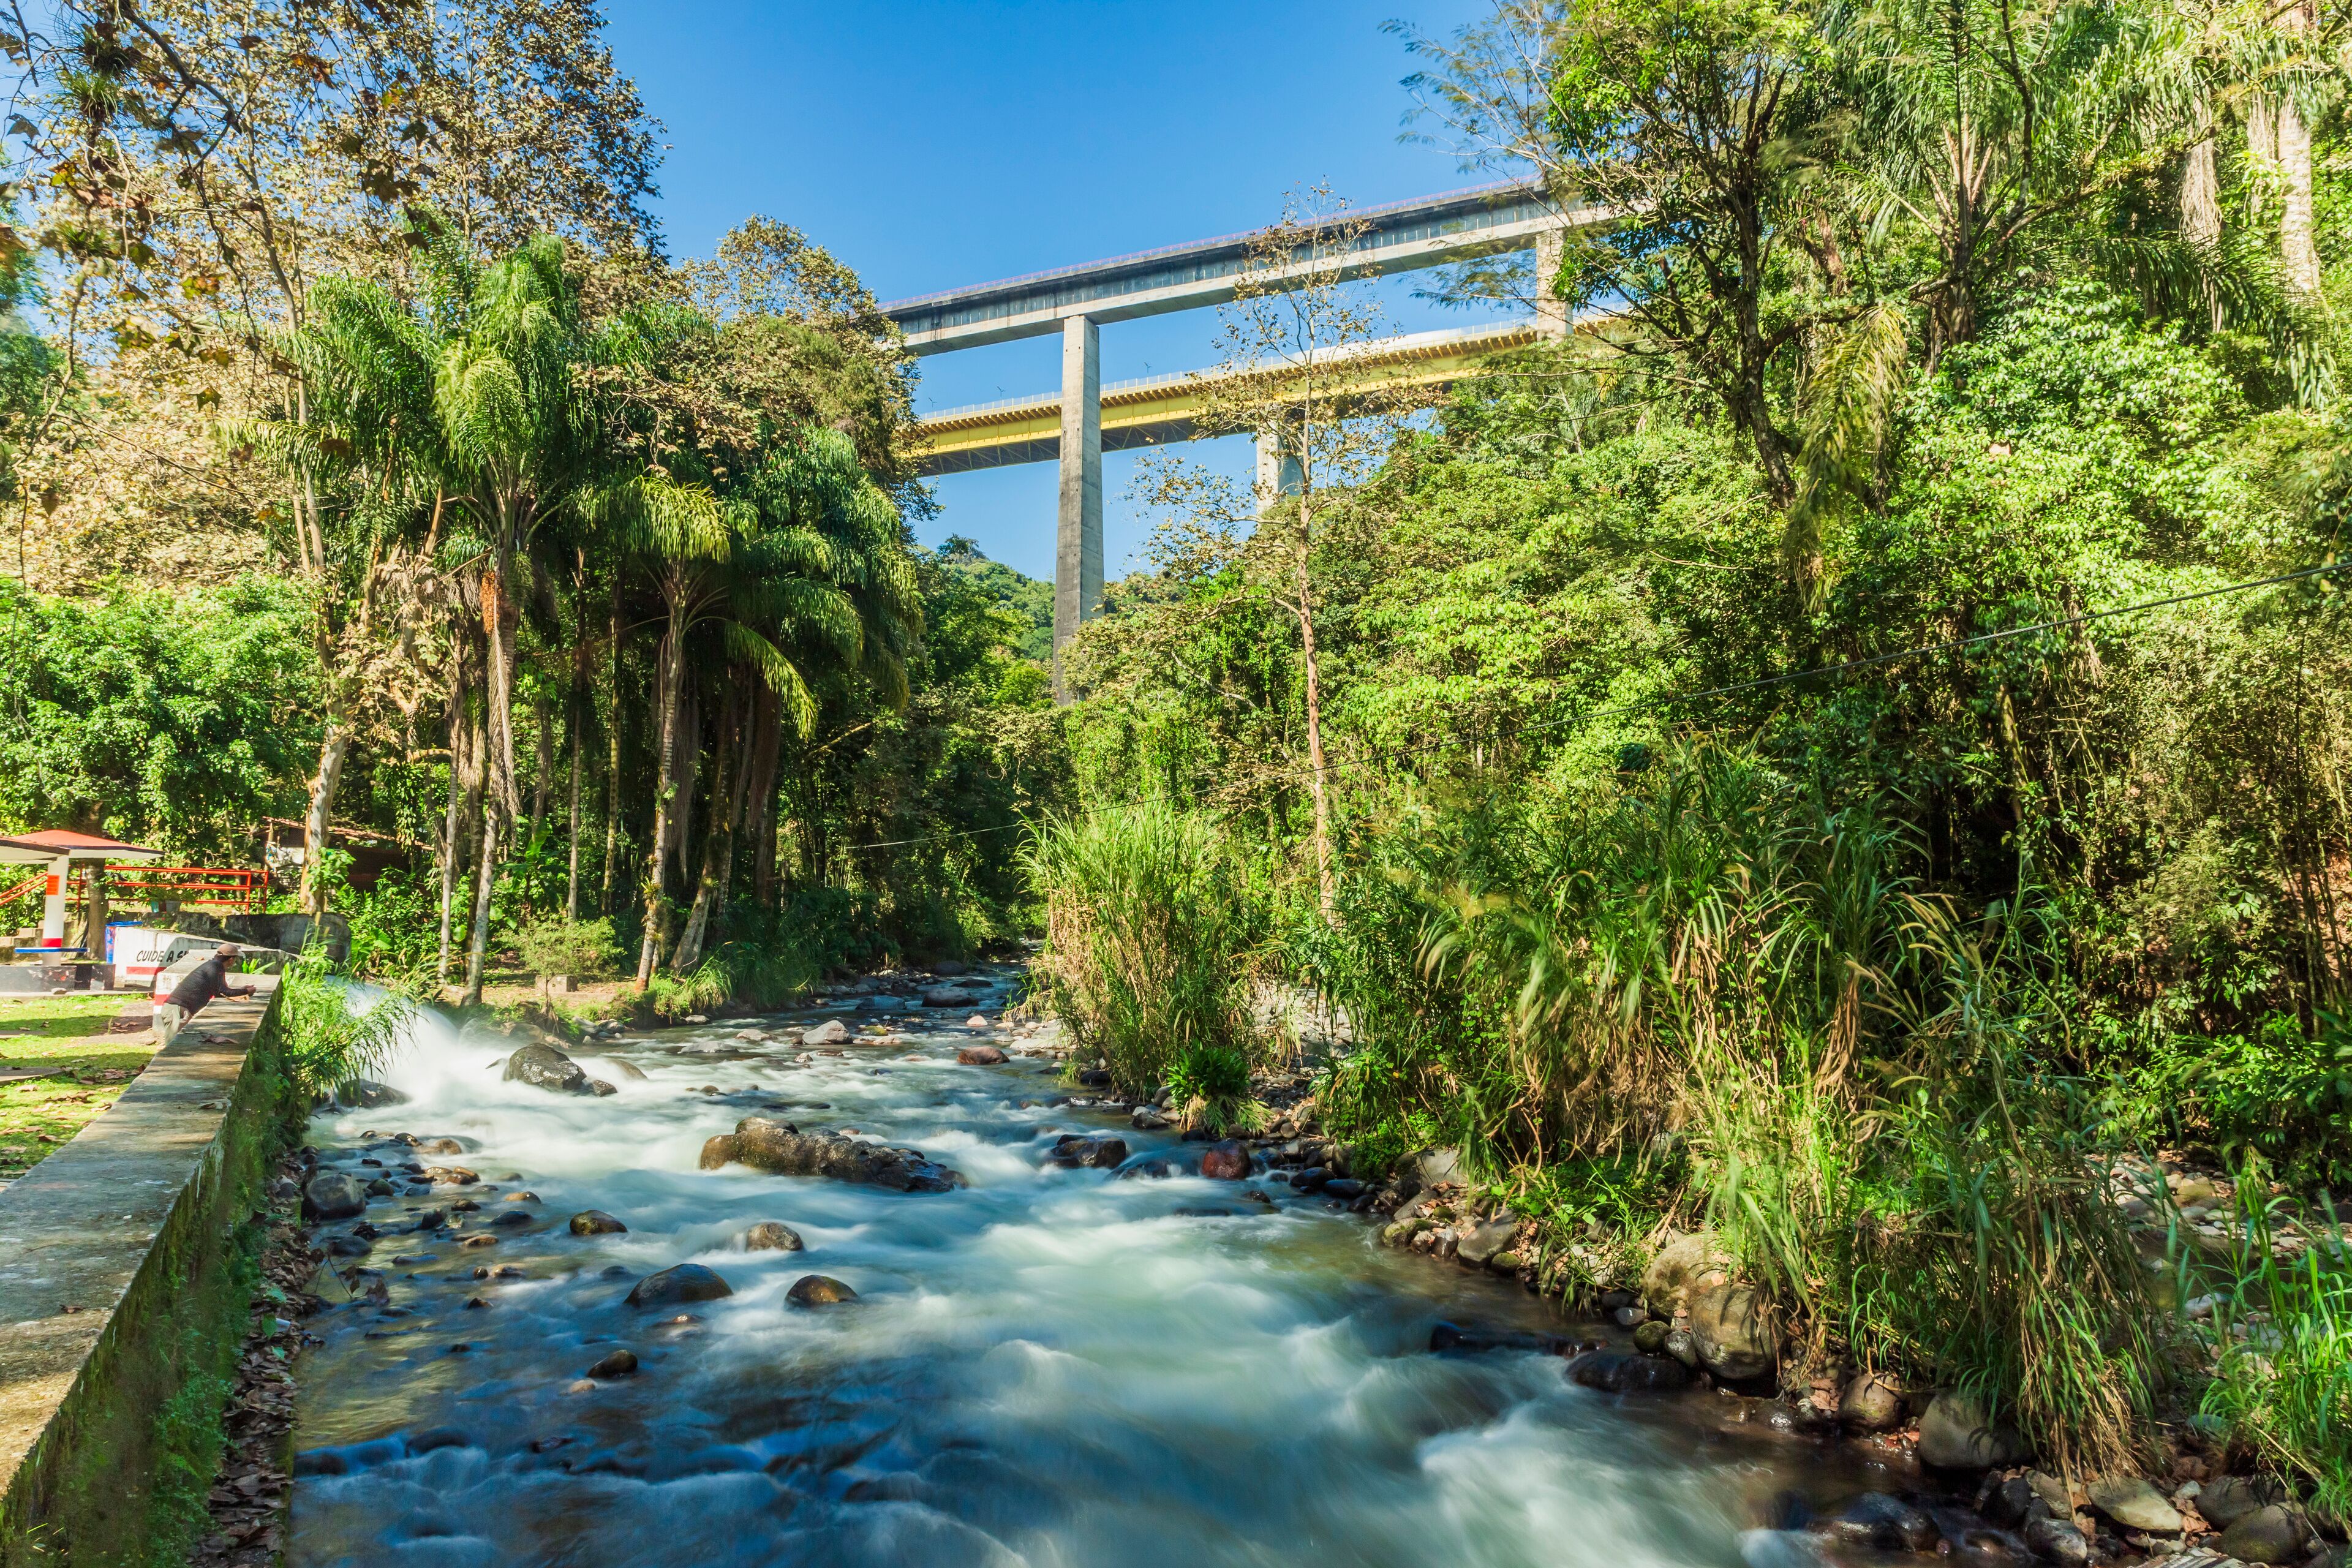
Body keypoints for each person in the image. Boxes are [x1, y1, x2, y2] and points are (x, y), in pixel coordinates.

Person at [153, 943, 257, 1043]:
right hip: (176, 1008)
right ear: (231, 960)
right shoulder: (216, 966)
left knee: (179, 1043)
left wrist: (243, 992)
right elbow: (223, 991)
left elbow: (219, 993)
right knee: (172, 1044)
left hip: (182, 1009)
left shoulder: (214, 966)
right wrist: (245, 991)